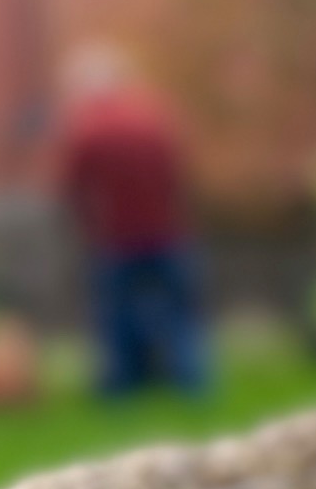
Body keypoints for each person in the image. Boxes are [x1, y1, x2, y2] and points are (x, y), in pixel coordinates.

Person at [57, 45, 208, 395]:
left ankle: (123, 388)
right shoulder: (153, 118)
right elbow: (178, 172)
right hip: (168, 232)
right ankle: (193, 384)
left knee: (116, 319)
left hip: (117, 239)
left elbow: (73, 188)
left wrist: (88, 229)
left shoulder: (87, 130)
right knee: (181, 314)